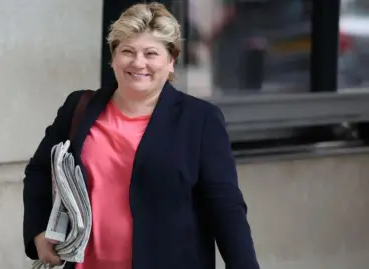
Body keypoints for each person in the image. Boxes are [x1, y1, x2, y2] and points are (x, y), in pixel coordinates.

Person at [23, 2, 260, 269]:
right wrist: (38, 232)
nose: (138, 63)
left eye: (151, 53)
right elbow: (39, 171)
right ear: (113, 58)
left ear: (171, 61)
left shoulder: (200, 120)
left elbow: (226, 209)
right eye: (127, 51)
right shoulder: (79, 108)